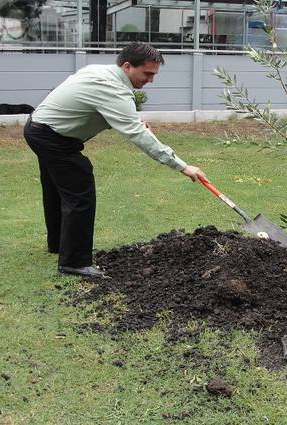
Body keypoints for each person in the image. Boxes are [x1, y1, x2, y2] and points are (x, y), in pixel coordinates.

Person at [24, 42, 206, 278]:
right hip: (53, 138)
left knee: (57, 189)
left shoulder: (99, 71)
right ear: (128, 66)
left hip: (39, 128)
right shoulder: (114, 88)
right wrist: (182, 166)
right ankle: (75, 262)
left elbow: (100, 107)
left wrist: (129, 119)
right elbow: (137, 134)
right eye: (147, 73)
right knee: (79, 193)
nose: (151, 80)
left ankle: (60, 244)